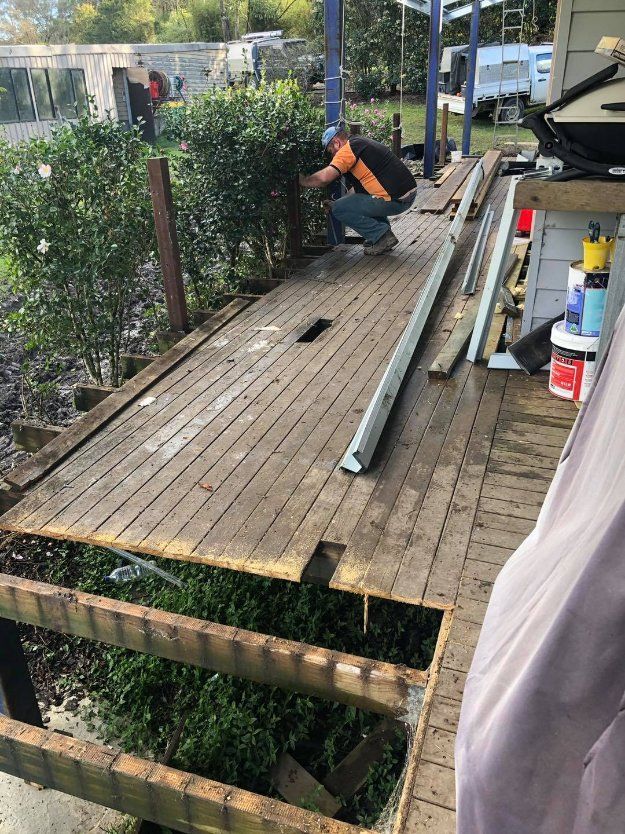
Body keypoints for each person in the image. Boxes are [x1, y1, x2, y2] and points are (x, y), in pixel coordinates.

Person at [299, 124, 417, 255]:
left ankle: (382, 236)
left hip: (396, 199)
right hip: (405, 194)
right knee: (344, 204)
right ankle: (381, 236)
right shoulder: (358, 143)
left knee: (338, 209)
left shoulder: (347, 150)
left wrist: (303, 181)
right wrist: (339, 202)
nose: (332, 156)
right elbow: (357, 192)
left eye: (330, 151)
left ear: (336, 143)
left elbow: (324, 178)